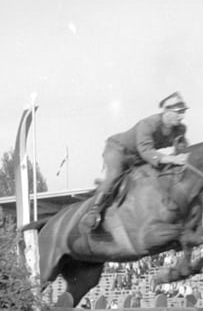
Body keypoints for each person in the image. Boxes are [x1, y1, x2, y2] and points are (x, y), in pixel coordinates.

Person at [79, 91, 191, 233]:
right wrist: (172, 159)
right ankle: (92, 213)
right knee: (114, 175)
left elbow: (182, 149)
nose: (181, 116)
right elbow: (146, 151)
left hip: (138, 157)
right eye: (178, 112)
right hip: (118, 150)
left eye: (183, 112)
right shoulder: (148, 124)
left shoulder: (180, 129)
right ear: (166, 111)